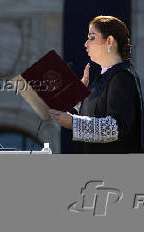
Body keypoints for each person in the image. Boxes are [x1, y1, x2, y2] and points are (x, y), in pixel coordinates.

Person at [49, 16, 143, 153]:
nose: (86, 44)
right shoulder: (107, 76)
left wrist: (72, 122)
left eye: (92, 37)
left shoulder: (122, 76)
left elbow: (115, 127)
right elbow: (98, 113)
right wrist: (79, 96)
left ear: (109, 41)